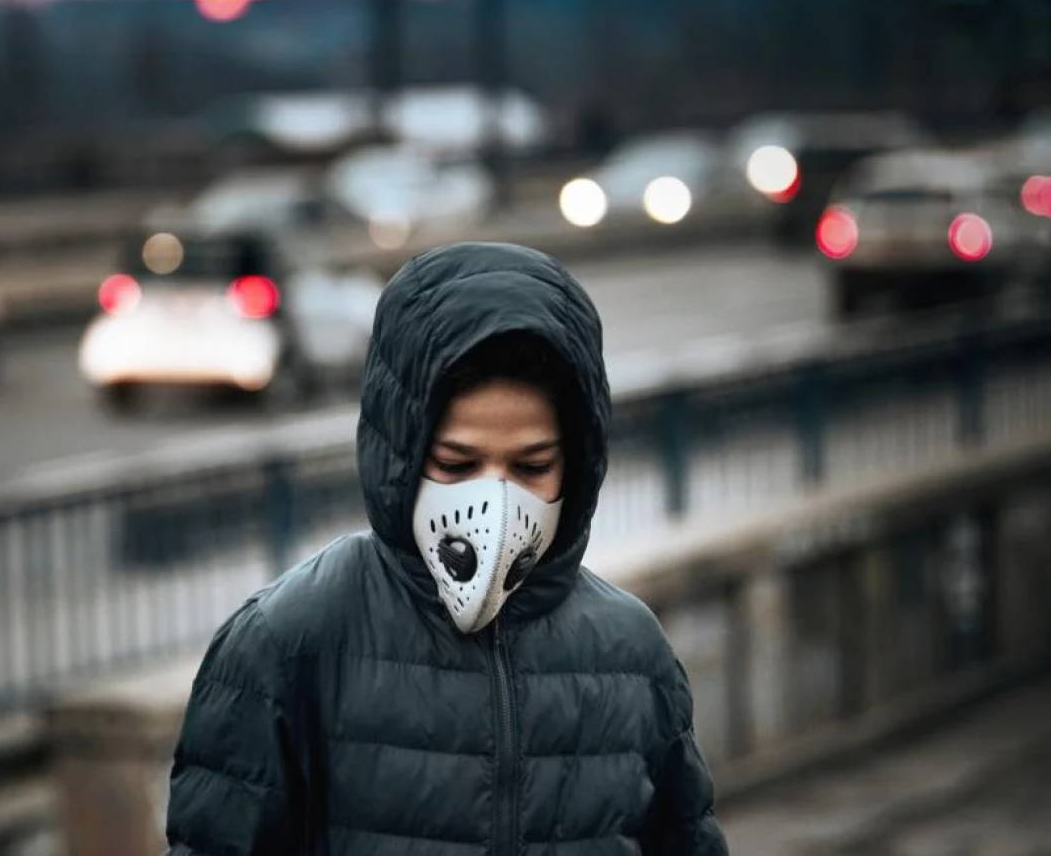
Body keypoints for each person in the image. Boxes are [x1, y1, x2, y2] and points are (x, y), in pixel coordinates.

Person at [165, 242, 726, 854]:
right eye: (458, 465)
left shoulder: (631, 650)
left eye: (532, 465)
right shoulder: (289, 642)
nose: (499, 502)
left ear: (578, 464)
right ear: (400, 453)